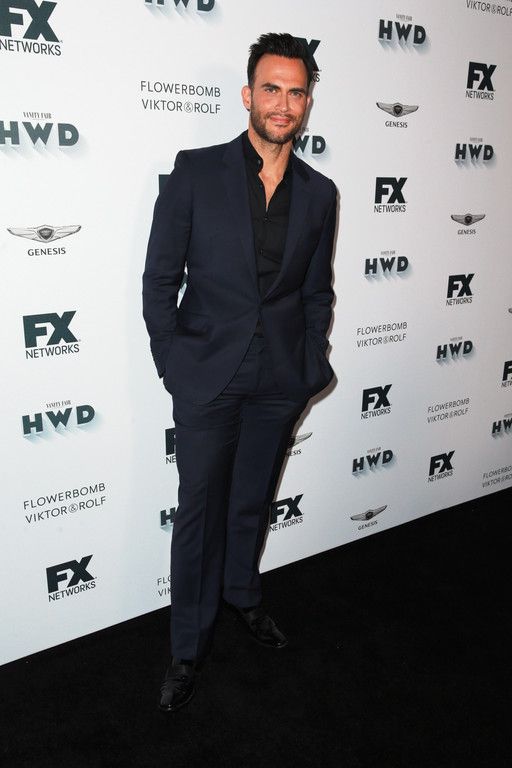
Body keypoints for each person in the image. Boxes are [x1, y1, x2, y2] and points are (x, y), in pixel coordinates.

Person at [143, 32, 338, 712]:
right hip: (207, 376)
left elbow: (316, 291)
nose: (283, 104)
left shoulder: (320, 193)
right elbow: (159, 279)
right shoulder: (196, 172)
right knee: (200, 511)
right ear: (248, 95)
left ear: (307, 102)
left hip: (280, 379)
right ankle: (188, 647)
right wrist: (172, 360)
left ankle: (242, 594)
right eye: (271, 89)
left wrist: (310, 364)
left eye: (296, 92)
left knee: (253, 499)